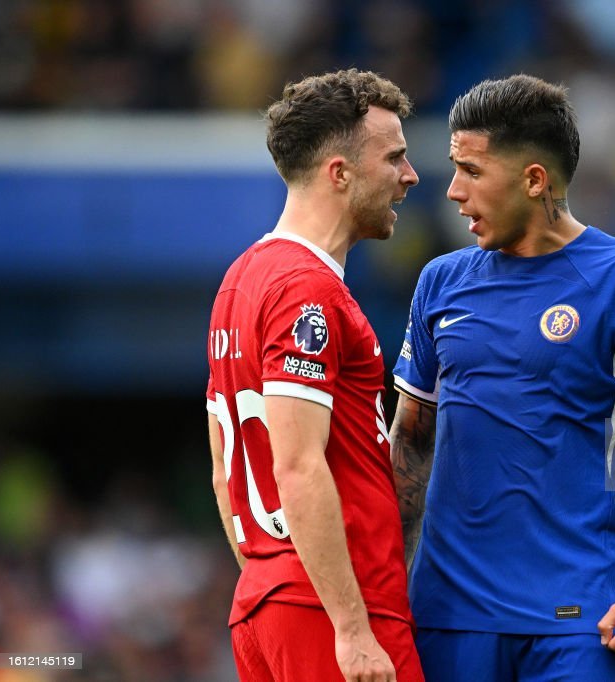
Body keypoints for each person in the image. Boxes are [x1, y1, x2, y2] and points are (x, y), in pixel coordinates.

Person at [389, 74, 615, 681]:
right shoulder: (440, 283)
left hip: (579, 615)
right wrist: (384, 584)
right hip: (451, 614)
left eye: (472, 172)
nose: (452, 191)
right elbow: (410, 442)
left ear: (534, 180)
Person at [205, 69, 423, 682]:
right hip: (333, 613)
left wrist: (267, 576)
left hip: (269, 599)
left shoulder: (241, 280)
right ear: (339, 172)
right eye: (395, 157)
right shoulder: (307, 292)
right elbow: (298, 463)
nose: (410, 176)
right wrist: (352, 630)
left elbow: (224, 461)